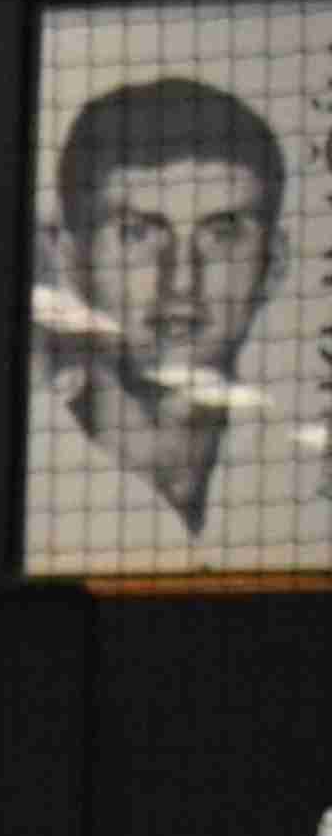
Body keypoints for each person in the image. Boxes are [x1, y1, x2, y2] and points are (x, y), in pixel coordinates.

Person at [29, 75, 332, 572]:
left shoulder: (305, 478)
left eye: (222, 233)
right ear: (68, 257)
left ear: (273, 264)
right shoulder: (25, 471)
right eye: (137, 233)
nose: (182, 279)